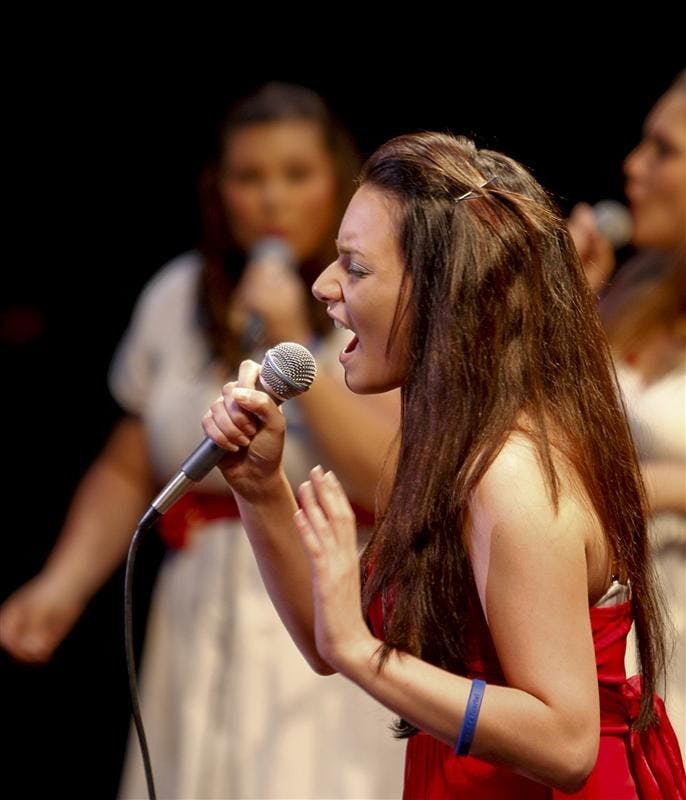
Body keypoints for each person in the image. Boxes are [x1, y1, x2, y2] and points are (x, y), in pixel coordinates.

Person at [201, 130, 686, 798]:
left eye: (356, 267)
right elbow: (327, 640)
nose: (323, 286)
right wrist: (260, 489)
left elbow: (567, 741)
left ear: (443, 293)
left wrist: (359, 651)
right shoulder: (456, 454)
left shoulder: (512, 477)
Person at [0, 82, 405, 799]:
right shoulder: (175, 295)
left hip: (326, 596)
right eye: (249, 178)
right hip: (198, 601)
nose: (271, 199)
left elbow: (391, 478)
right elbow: (132, 462)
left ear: (337, 186)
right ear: (219, 190)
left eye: (296, 175)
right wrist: (60, 587)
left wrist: (289, 340)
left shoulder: (380, 300)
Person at [569, 70, 686, 759]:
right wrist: (572, 305)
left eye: (663, 151)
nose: (632, 167)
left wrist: (656, 489)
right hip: (622, 609)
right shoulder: (635, 284)